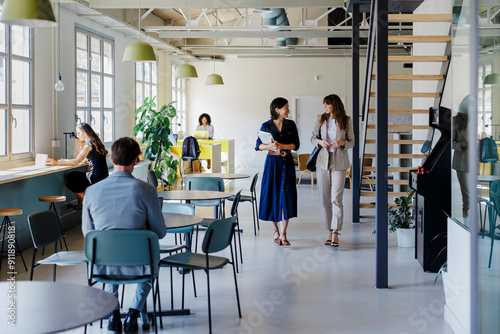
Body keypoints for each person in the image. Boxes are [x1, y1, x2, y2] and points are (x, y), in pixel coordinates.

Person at [82, 137, 166, 332]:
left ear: (112, 158)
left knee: (108, 253)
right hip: (140, 267)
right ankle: (133, 314)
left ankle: (113, 315)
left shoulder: (92, 192)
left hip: (102, 268)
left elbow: (88, 234)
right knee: (150, 256)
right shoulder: (146, 190)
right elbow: (160, 232)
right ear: (135, 161)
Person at [311, 94, 354, 247]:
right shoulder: (321, 118)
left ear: (333, 105)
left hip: (340, 162)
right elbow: (313, 138)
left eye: (326, 104)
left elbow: (352, 142)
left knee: (336, 198)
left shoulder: (346, 120)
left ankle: (335, 232)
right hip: (323, 162)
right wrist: (320, 142)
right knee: (325, 199)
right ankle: (330, 229)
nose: (324, 107)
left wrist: (342, 142)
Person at [256, 97, 300, 246]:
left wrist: (283, 146)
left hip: (286, 163)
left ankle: (284, 234)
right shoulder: (266, 125)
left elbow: (296, 145)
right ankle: (275, 231)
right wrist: (270, 146)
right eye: (286, 108)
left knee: (286, 196)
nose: (288, 110)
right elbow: (258, 146)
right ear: (277, 110)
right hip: (272, 164)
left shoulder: (290, 124)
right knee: (272, 195)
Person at [47, 122, 108, 209]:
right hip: (104, 177)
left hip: (95, 178)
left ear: (85, 132)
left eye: (79, 133)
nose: (78, 135)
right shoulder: (96, 142)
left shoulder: (88, 145)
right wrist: (66, 161)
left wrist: (56, 163)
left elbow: (75, 162)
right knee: (77, 178)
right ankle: (82, 202)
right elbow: (83, 160)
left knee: (71, 177)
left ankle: (86, 200)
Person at [453, 96, 470, 218]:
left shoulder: (476, 120)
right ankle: (467, 224)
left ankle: (472, 224)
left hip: (475, 162)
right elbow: (449, 143)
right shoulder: (455, 121)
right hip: (462, 163)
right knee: (467, 196)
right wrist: (463, 144)